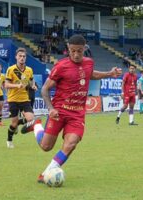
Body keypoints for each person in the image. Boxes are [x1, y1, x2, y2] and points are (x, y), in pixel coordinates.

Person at [19, 34, 122, 183]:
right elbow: (45, 89)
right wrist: (50, 108)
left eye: (79, 51)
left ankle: (46, 173)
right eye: (72, 51)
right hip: (59, 111)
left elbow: (90, 74)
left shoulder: (89, 63)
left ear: (84, 49)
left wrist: (109, 73)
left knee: (71, 143)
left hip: (77, 114)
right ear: (68, 49)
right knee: (46, 146)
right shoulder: (61, 66)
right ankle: (36, 126)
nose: (76, 54)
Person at [4, 47, 37, 148]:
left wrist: (33, 86)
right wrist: (16, 85)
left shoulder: (29, 70)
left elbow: (31, 80)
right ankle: (9, 140)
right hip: (13, 99)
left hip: (24, 99)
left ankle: (19, 122)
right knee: (13, 123)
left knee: (31, 119)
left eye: (24, 56)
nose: (22, 58)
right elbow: (6, 85)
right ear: (16, 57)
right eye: (20, 56)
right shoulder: (11, 69)